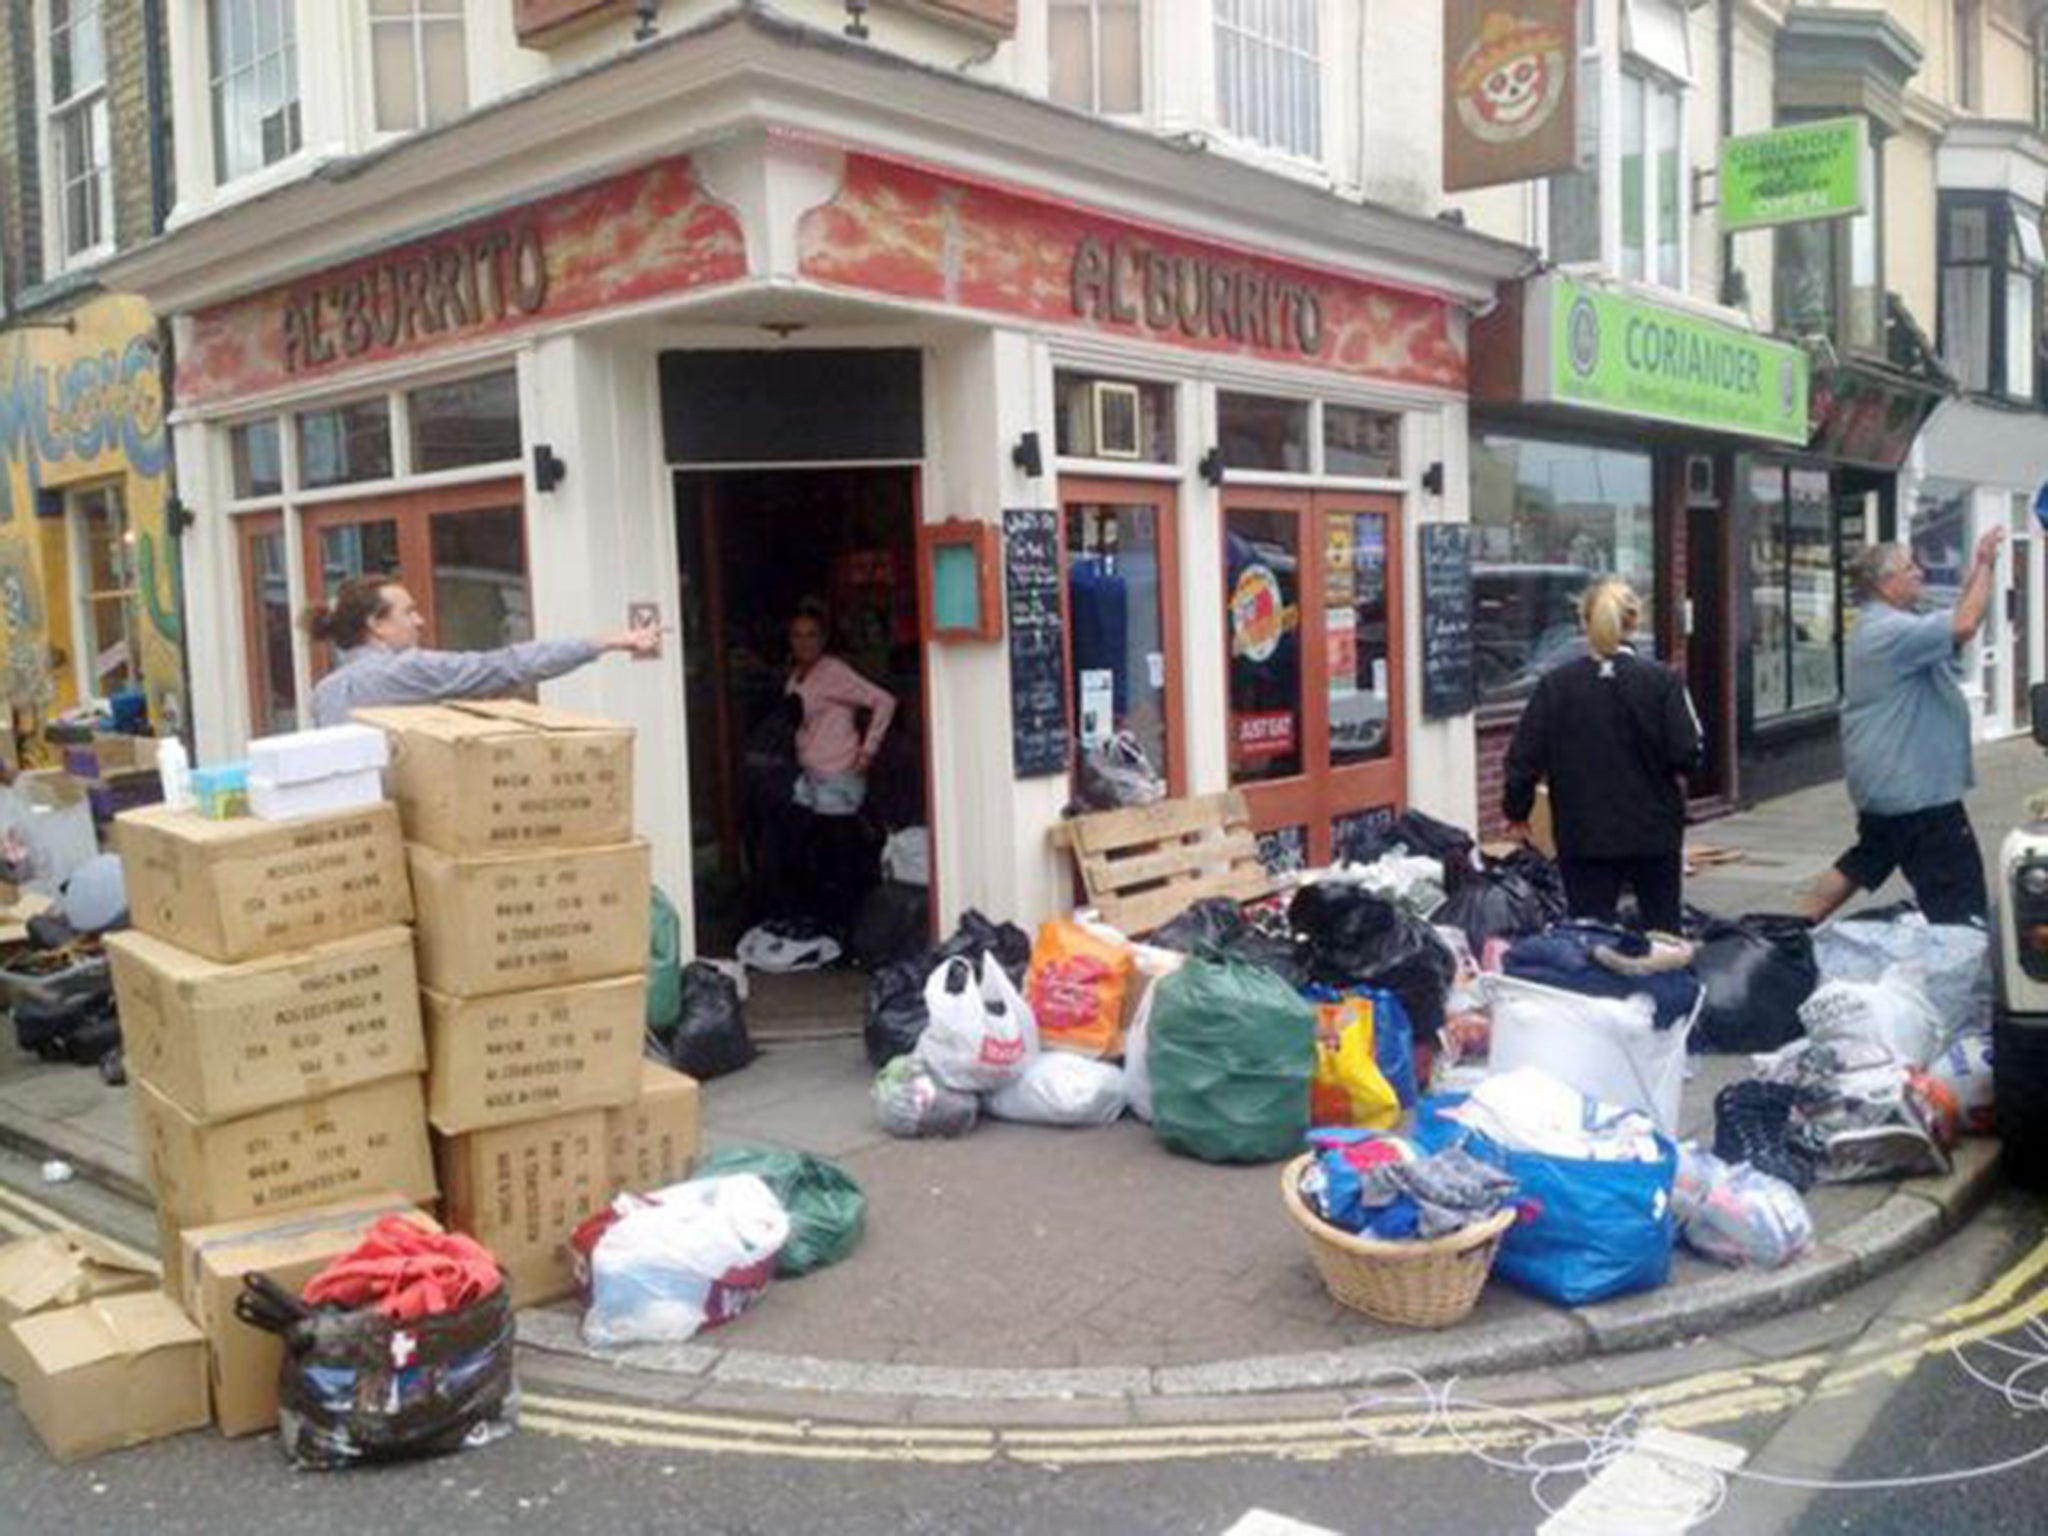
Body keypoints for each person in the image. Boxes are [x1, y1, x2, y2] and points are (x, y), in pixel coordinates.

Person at [1801, 530, 2003, 926]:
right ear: (1884, 583)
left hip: (1887, 785)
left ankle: (1788, 928)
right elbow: (1965, 622)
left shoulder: (1886, 626)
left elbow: (1960, 611)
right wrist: (1987, 564)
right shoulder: (1890, 632)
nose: (1919, 573)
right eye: (1909, 567)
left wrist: (1978, 569)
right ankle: (1961, 968)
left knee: (1867, 857)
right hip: (1919, 795)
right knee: (1958, 896)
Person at [1502, 577, 1702, 933]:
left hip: (1583, 831)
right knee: (1662, 932)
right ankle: (1664, 987)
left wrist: (1517, 814)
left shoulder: (1556, 685)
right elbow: (1688, 752)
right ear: (1634, 621)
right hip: (1653, 830)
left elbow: (1522, 760)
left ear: (1584, 622)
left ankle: (1597, 988)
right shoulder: (1662, 681)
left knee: (1590, 935)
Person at [306, 576, 658, 728]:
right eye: (408, 612)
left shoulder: (323, 694)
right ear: (376, 625)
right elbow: (506, 666)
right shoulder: (404, 671)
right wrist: (606, 641)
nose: (421, 621)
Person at [779, 602, 896, 938]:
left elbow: (884, 701)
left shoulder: (833, 672)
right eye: (797, 635)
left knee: (839, 859)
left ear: (823, 639)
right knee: (809, 853)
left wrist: (867, 751)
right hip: (810, 777)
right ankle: (825, 924)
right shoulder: (798, 673)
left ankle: (846, 931)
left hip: (838, 777)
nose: (804, 643)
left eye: (811, 636)